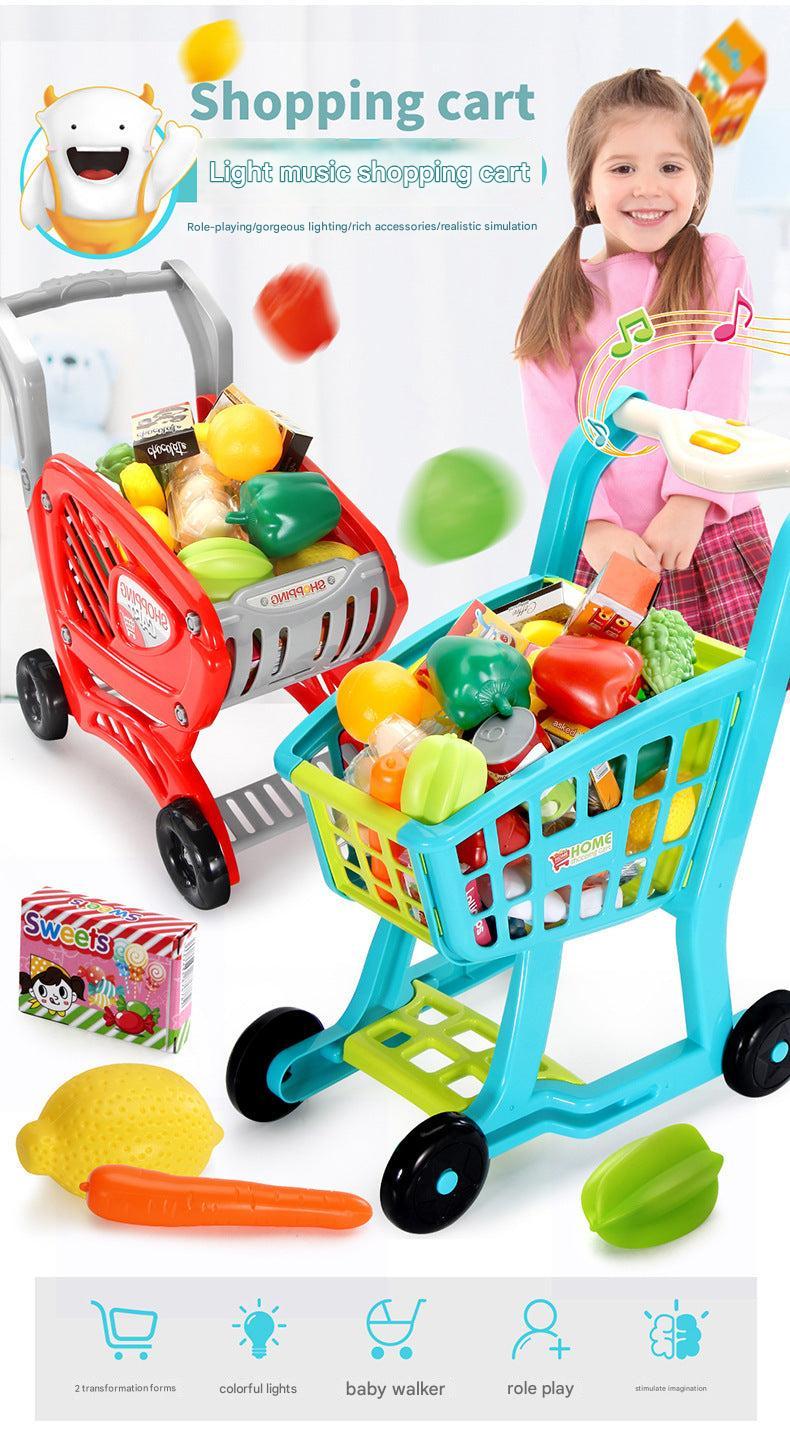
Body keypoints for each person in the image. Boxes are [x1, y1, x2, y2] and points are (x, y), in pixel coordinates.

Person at [517, 68, 771, 648]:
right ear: (587, 188)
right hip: (609, 554)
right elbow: (554, 429)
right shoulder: (560, 296)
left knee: (727, 701)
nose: (648, 187)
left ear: (699, 185)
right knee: (605, 708)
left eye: (671, 167)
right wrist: (597, 527)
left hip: (707, 530)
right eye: (623, 167)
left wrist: (690, 498)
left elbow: (721, 389)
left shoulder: (716, 265)